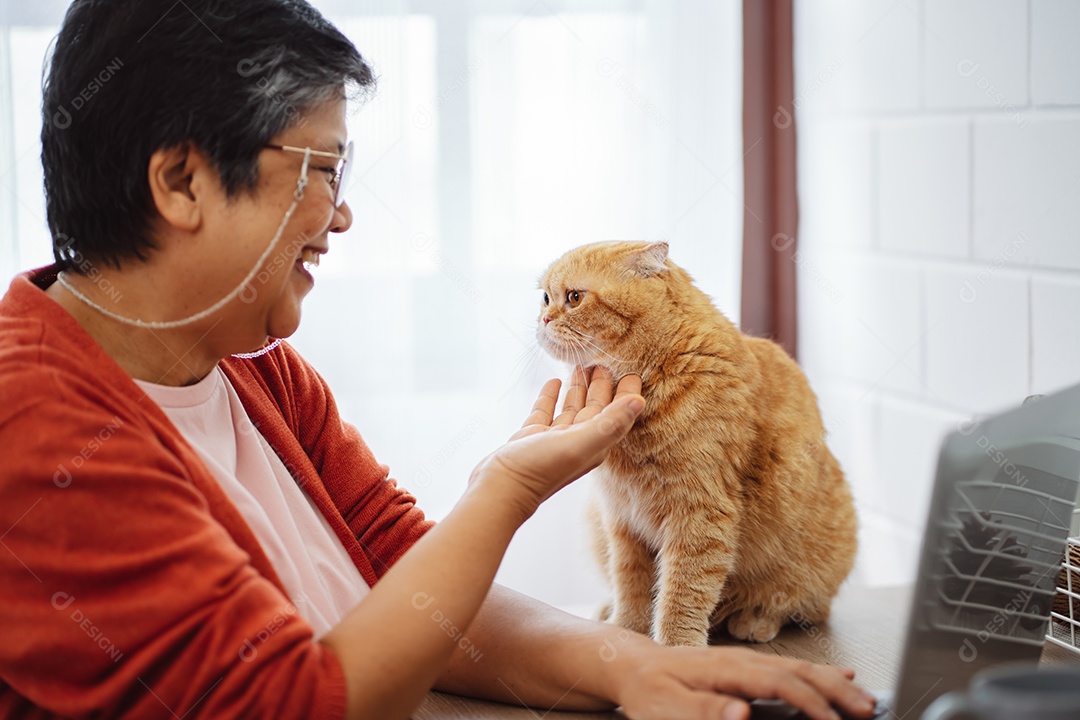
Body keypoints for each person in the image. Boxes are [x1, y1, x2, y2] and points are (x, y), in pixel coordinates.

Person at [0, 1, 878, 718]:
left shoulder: (247, 365)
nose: (340, 217)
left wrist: (630, 666)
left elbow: (416, 594)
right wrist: (507, 490)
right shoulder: (36, 421)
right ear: (182, 181)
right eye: (323, 172)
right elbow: (290, 705)